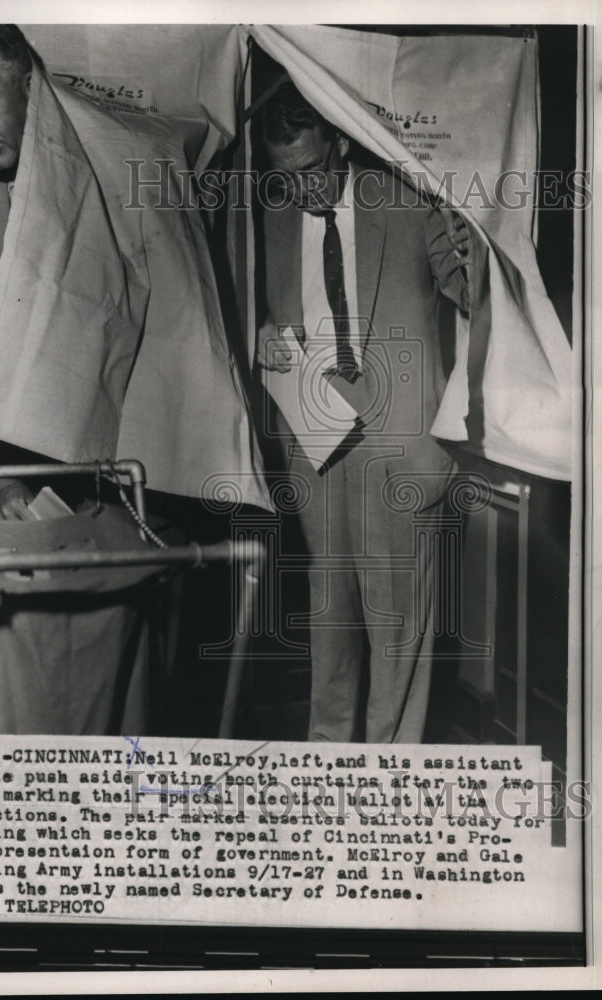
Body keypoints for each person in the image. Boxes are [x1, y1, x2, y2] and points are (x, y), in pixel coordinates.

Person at [0, 24, 154, 735]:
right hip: (16, 464)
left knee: (130, 682)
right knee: (15, 680)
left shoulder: (108, 168)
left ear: (28, 85)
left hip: (123, 460)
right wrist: (0, 482)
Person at [257, 80, 470, 744]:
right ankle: (326, 767)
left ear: (341, 143)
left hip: (397, 445)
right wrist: (257, 334)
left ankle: (388, 775)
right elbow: (258, 315)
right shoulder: (273, 217)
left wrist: (477, 233)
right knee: (331, 621)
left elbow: (472, 290)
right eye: (286, 178)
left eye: (314, 171)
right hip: (318, 441)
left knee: (395, 628)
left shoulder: (407, 203)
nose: (306, 190)